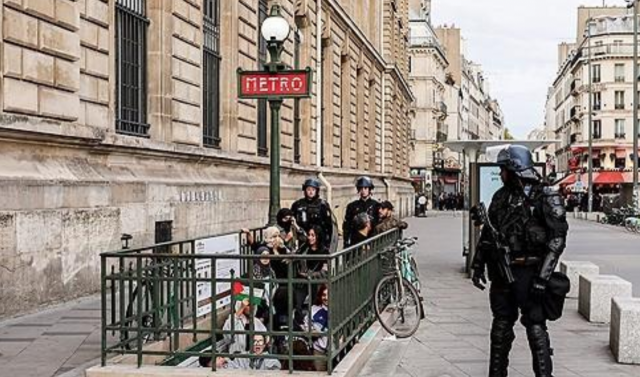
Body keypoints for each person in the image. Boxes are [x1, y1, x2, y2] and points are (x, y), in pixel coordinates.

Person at [471, 145, 568, 377]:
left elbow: (557, 240)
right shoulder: (501, 196)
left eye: (504, 169)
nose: (501, 174)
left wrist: (542, 279)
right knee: (501, 328)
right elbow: (488, 234)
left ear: (516, 169)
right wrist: (478, 264)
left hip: (530, 271)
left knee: (535, 328)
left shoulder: (546, 195)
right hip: (503, 272)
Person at [223, 284, 268, 355]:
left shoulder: (256, 322)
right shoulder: (235, 320)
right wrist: (241, 308)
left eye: (253, 304)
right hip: (238, 360)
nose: (252, 307)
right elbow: (227, 337)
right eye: (249, 305)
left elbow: (265, 337)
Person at [291, 178, 333, 247]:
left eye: (313, 190)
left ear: (316, 191)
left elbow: (328, 224)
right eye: (308, 189)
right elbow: (292, 220)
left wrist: (328, 241)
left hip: (319, 238)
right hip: (303, 237)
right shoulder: (298, 204)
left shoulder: (322, 205)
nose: (311, 192)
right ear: (305, 190)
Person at [343, 176, 380, 248]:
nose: (363, 191)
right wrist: (346, 240)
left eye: (365, 188)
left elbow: (379, 223)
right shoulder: (352, 206)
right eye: (361, 188)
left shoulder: (376, 205)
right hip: (356, 240)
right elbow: (347, 225)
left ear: (369, 189)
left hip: (371, 240)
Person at [215, 334, 281, 370]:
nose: (257, 343)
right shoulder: (241, 357)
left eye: (260, 341)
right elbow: (231, 368)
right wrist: (225, 361)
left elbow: (276, 370)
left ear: (264, 345)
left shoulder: (271, 360)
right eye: (254, 341)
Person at [303, 285, 329, 372]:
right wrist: (311, 331)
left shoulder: (340, 309)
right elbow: (306, 326)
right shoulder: (314, 310)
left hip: (335, 349)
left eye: (329, 295)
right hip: (319, 350)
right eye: (324, 295)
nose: (326, 298)